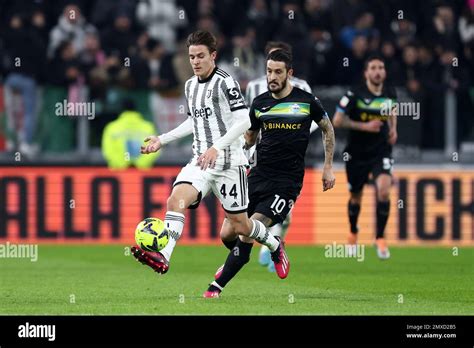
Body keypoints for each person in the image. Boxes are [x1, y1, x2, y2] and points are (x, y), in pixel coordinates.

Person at [131, 30, 289, 278]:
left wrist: (217, 147)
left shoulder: (226, 82)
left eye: (200, 56)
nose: (195, 61)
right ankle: (164, 256)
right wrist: (162, 139)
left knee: (241, 226)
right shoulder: (190, 85)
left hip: (229, 163)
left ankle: (274, 244)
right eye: (191, 56)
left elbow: (244, 121)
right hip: (201, 162)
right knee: (176, 200)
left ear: (213, 56)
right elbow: (193, 122)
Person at [203, 49, 335, 298]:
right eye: (269, 71)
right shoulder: (260, 103)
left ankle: (215, 287)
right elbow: (249, 139)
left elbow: (328, 129)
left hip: (286, 181)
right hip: (257, 175)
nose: (272, 76)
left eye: (278, 72)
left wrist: (328, 167)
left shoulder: (306, 101)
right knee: (227, 233)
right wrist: (229, 157)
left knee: (249, 229)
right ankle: (267, 248)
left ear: (289, 74)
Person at [245, 41, 319, 273]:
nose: (273, 73)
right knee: (251, 210)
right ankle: (268, 246)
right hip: (259, 156)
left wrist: (294, 133)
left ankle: (270, 247)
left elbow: (315, 119)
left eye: (279, 67)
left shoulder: (302, 87)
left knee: (283, 212)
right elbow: (247, 121)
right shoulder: (255, 88)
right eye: (270, 66)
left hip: (290, 158)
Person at [332, 55, 397, 260]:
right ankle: (353, 232)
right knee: (356, 197)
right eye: (374, 68)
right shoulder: (354, 94)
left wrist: (394, 129)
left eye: (381, 67)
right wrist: (365, 126)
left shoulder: (390, 91)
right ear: (366, 73)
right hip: (356, 153)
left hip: (381, 150)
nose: (378, 71)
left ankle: (379, 238)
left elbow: (392, 109)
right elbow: (337, 121)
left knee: (384, 191)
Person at [101, 99, 159, 170]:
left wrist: (123, 165)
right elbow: (155, 148)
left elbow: (108, 151)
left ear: (121, 110)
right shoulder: (148, 127)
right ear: (136, 109)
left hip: (118, 174)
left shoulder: (112, 127)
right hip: (143, 175)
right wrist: (139, 164)